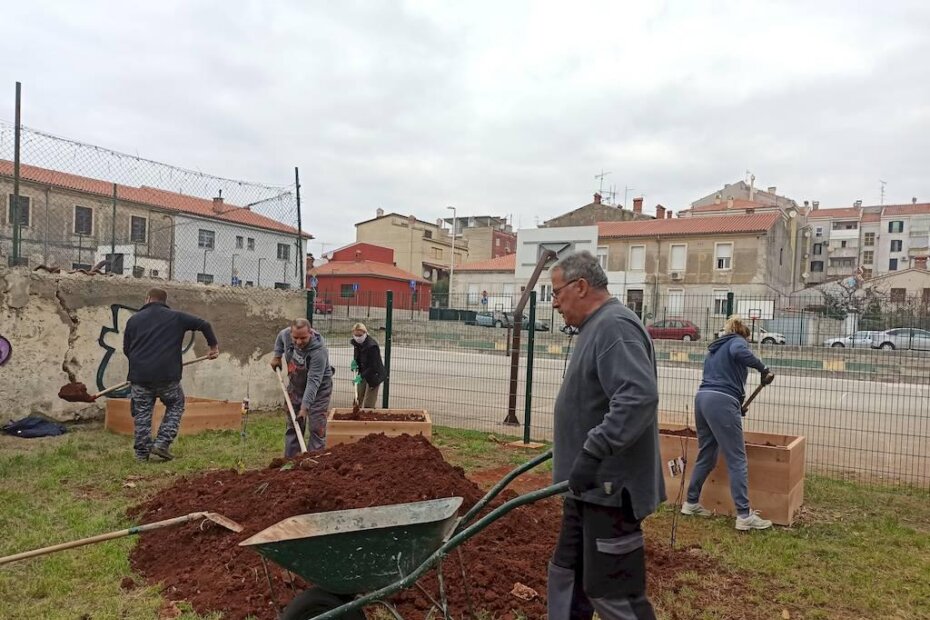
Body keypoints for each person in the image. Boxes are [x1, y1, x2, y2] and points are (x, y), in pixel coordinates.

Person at [548, 251, 664, 620]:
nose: (554, 303)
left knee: (613, 593)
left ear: (580, 286)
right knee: (566, 574)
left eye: (556, 293)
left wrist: (594, 451)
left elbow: (637, 396)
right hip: (585, 486)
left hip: (611, 489)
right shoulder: (594, 327)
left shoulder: (615, 327)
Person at [681, 315, 775, 531]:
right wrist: (763, 369)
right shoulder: (737, 342)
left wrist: (737, 405)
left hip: (703, 399)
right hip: (721, 401)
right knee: (737, 458)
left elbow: (722, 376)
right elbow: (740, 353)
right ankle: (744, 515)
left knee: (707, 454)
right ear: (744, 333)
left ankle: (691, 502)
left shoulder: (715, 349)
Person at [123, 288, 219, 462]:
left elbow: (127, 349)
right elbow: (204, 325)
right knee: (176, 404)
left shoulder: (133, 320)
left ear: (147, 299)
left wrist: (141, 364)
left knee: (142, 413)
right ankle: (162, 443)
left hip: (140, 376)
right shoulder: (176, 317)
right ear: (164, 301)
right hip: (167, 375)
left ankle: (141, 454)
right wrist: (213, 347)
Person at [271, 318, 333, 456]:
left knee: (316, 427)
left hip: (319, 391)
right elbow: (281, 336)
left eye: (303, 338)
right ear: (291, 333)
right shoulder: (287, 334)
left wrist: (304, 409)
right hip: (296, 386)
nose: (299, 342)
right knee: (293, 424)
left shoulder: (319, 351)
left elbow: (313, 383)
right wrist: (277, 355)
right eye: (295, 338)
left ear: (310, 333)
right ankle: (291, 461)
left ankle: (314, 460)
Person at [350, 322, 385, 408]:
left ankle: (368, 417)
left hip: (374, 375)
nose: (358, 338)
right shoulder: (356, 344)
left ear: (365, 333)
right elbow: (358, 356)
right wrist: (355, 363)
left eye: (360, 335)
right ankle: (355, 415)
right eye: (356, 335)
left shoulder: (372, 346)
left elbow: (373, 366)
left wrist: (361, 376)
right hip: (363, 372)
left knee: (369, 403)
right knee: (357, 398)